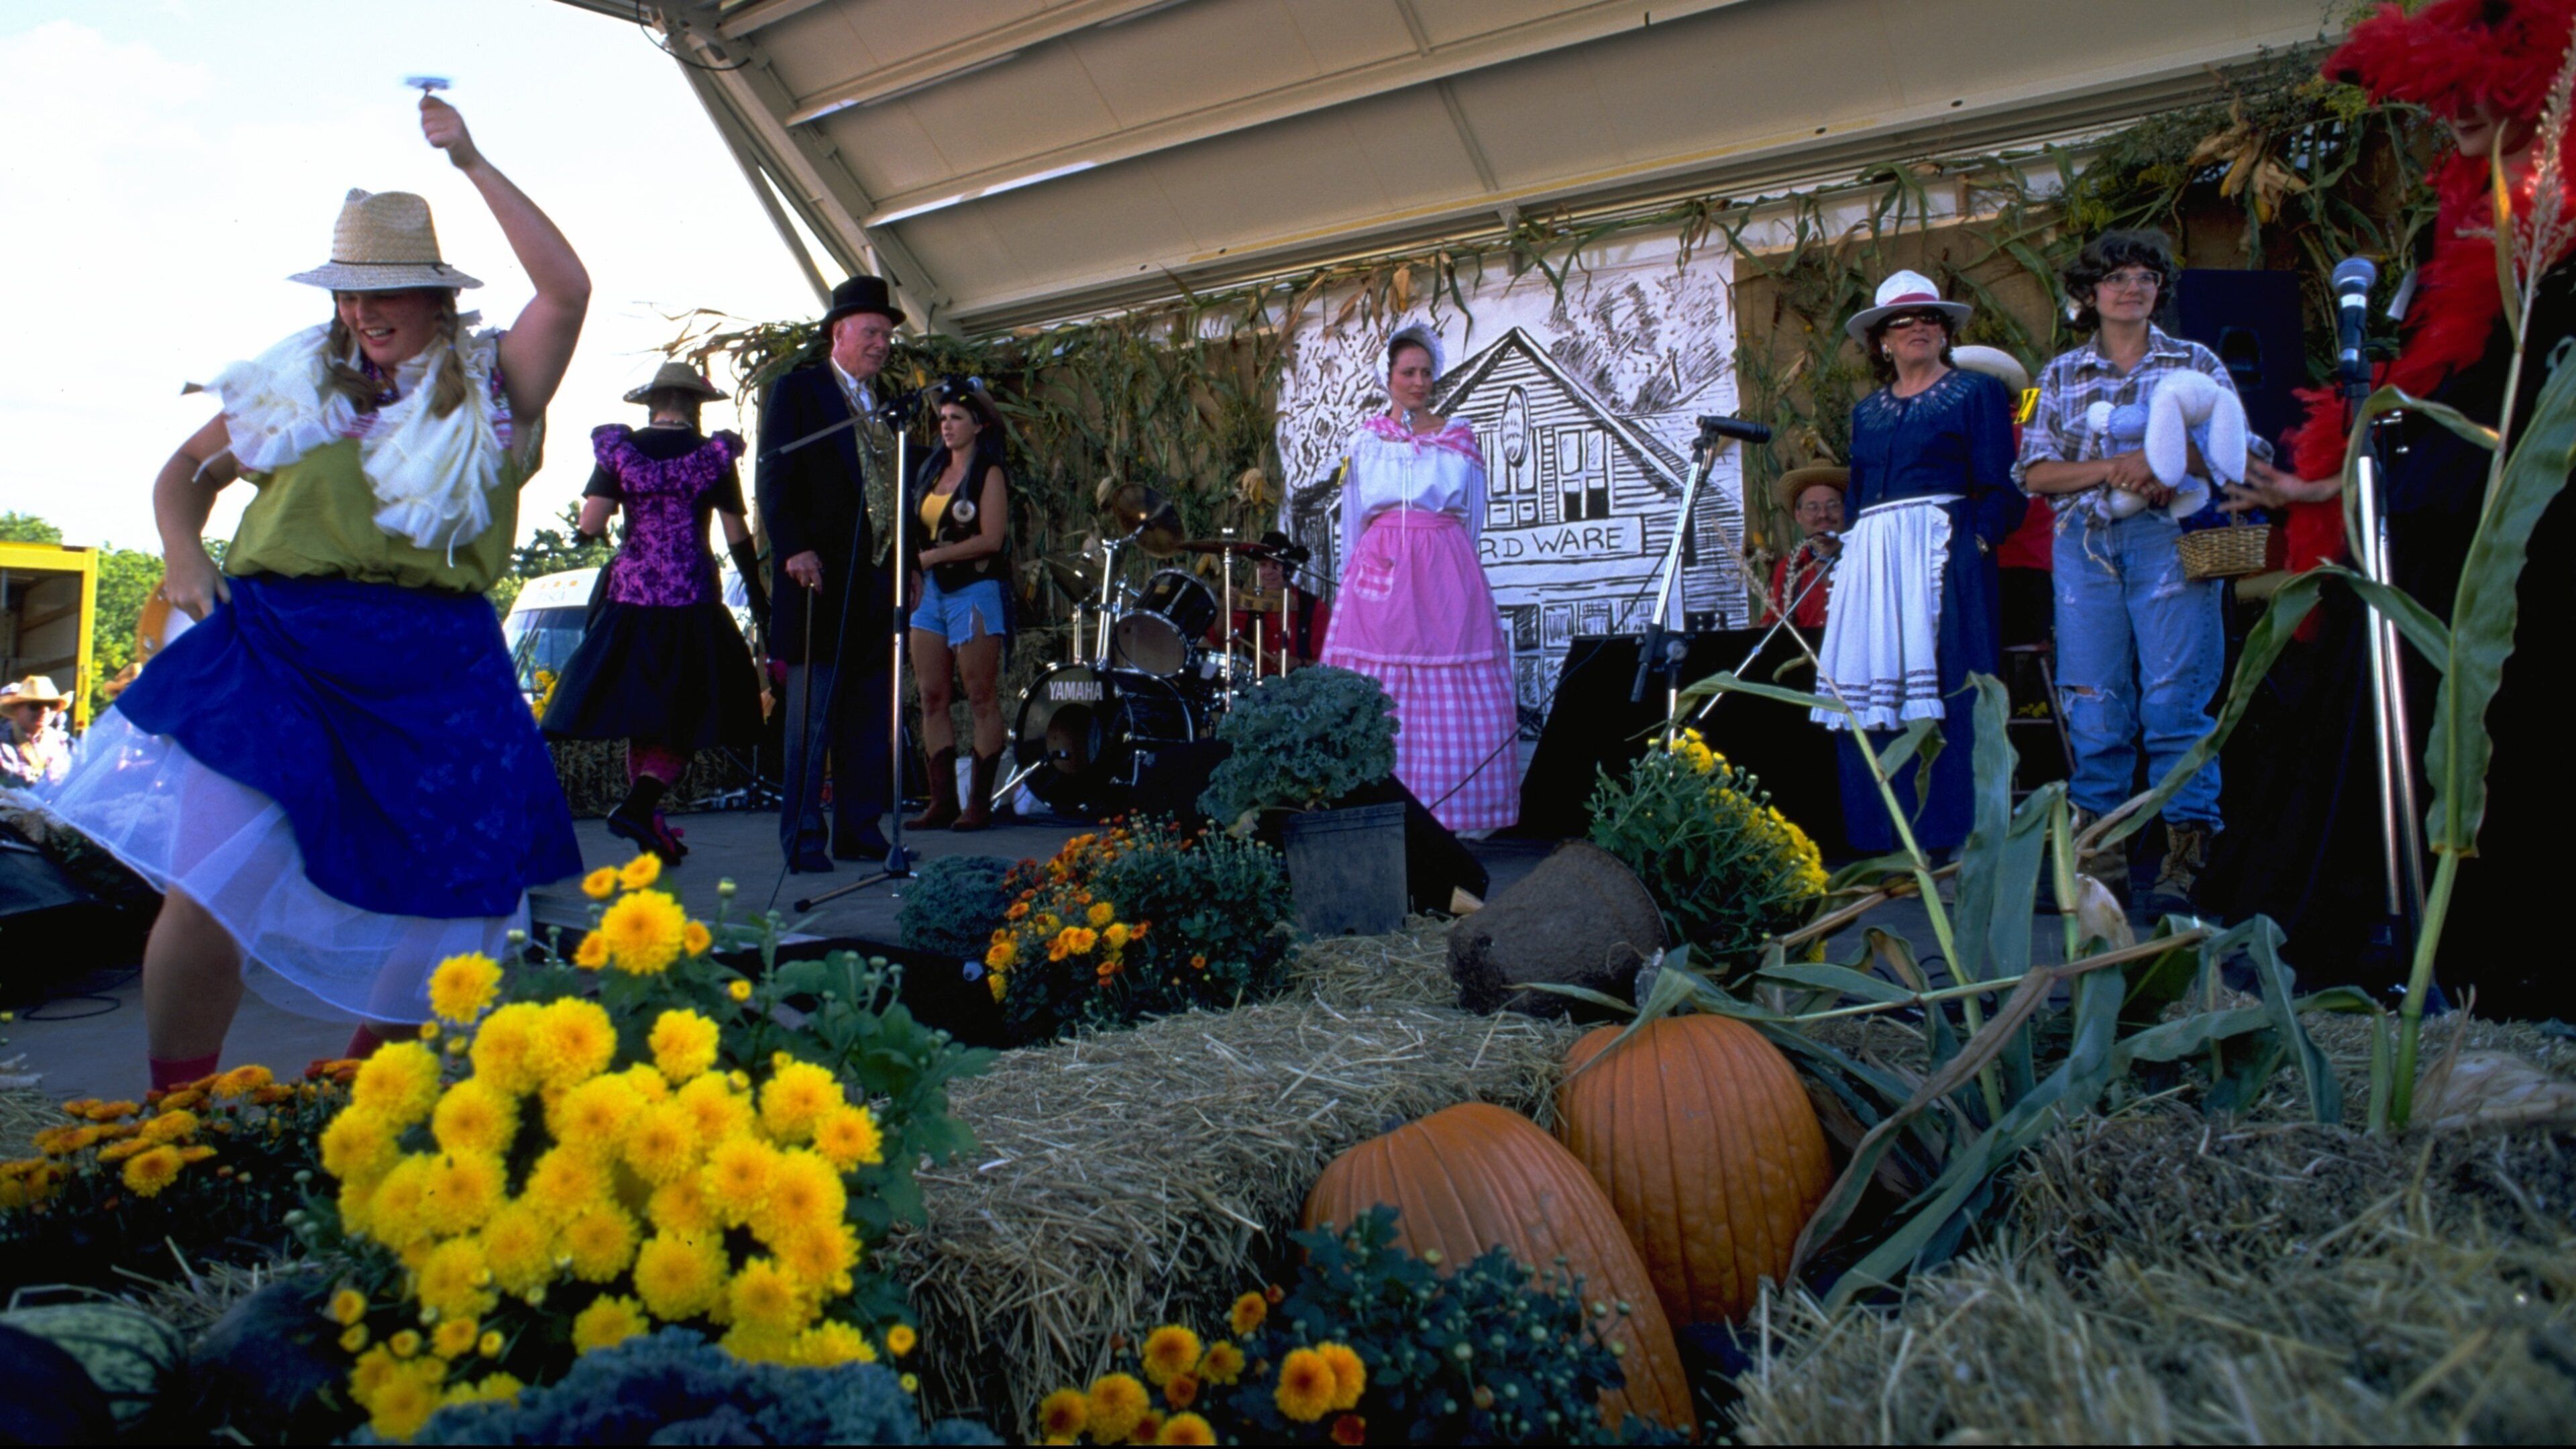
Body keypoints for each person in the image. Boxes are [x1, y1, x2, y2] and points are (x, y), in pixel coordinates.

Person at [40, 95, 588, 1083]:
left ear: (438, 298)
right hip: (281, 644)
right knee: (210, 886)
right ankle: (181, 1114)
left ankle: (354, 1101)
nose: (360, 312)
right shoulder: (297, 384)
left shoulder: (500, 389)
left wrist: (470, 159)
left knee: (456, 901)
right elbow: (184, 474)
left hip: (437, 662)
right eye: (346, 294)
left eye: (384, 293)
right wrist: (182, 554)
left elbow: (566, 286)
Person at [2205, 0, 2576, 1018]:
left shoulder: (2555, 233)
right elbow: (2431, 408)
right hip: (2425, 546)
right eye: (2443, 98)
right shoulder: (2467, 227)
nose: (2455, 114)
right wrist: (2318, 485)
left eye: (2481, 95)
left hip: (2529, 547)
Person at [2016, 230, 2263, 911]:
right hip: (2084, 543)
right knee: (2094, 702)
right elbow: (2033, 473)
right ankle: (2099, 862)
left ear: (2160, 291)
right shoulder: (2057, 376)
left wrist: (2172, 459)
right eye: (2117, 277)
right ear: (2089, 295)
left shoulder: (2196, 361)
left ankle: (2189, 857)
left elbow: (2246, 447)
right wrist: (2116, 468)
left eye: (2145, 277)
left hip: (2167, 541)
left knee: (2174, 699)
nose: (2132, 287)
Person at [1811, 270, 2023, 857]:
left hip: (1941, 553)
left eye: (1931, 318)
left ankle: (1958, 843)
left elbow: (2003, 486)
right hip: (1874, 563)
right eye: (1903, 322)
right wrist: (1850, 548)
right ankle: (1888, 845)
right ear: (1881, 340)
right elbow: (1857, 493)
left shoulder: (1977, 393)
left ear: (1946, 332)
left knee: (1955, 687)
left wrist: (1974, 542)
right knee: (1870, 694)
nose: (1919, 328)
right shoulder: (1867, 413)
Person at [539, 362, 767, 861]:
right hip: (691, 598)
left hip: (631, 598)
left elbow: (591, 522)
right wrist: (759, 596)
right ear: (697, 407)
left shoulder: (619, 451)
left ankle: (644, 817)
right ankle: (640, 808)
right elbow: (736, 536)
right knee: (685, 716)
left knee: (645, 713)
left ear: (651, 404)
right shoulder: (713, 456)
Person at [1318, 323, 1519, 835]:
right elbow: (1356, 511)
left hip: (1443, 564)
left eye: (1426, 372)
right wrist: (1355, 575)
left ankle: (1455, 812)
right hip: (1381, 566)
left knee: (1448, 669)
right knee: (1382, 679)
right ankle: (1378, 803)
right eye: (1408, 372)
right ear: (1387, 377)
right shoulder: (1368, 439)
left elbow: (1473, 513)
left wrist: (1456, 568)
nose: (1419, 381)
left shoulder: (1457, 436)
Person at [756, 276, 906, 873]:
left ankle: (860, 829)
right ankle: (804, 838)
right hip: (817, 576)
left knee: (868, 713)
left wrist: (907, 562)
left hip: (872, 580)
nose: (881, 344)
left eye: (887, 336)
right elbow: (773, 473)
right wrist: (792, 546)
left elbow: (897, 491)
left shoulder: (885, 404)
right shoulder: (799, 392)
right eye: (871, 332)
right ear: (838, 334)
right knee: (811, 716)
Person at [903, 382, 1013, 833]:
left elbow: (991, 539)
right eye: (943, 418)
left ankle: (979, 802)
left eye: (956, 418)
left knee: (980, 693)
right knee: (932, 695)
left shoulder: (989, 473)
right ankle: (942, 800)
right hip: (928, 592)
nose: (946, 425)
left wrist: (932, 557)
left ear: (978, 426)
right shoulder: (929, 470)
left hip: (973, 588)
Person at [1766, 466, 1845, 631]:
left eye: (1833, 505)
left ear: (1846, 511)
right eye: (1812, 507)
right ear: (1798, 515)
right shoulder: (1789, 568)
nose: (1823, 515)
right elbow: (1772, 625)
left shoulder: (1865, 561)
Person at [0, 676, 72, 790]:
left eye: (52, 705)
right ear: (16, 708)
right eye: (36, 705)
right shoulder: (3, 740)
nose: (45, 711)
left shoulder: (60, 742)